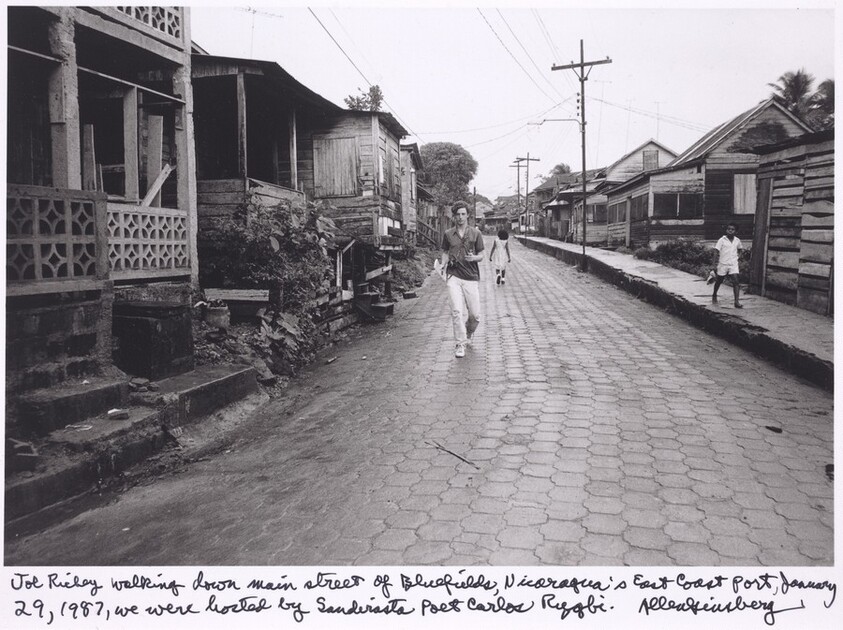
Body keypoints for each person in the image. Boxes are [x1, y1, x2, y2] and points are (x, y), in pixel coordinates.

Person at [439, 202, 485, 358]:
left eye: (463, 214)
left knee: (475, 315)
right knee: (457, 311)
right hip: (453, 276)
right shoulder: (448, 234)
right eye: (457, 214)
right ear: (454, 216)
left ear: (468, 215)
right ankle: (460, 343)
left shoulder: (475, 233)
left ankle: (469, 331)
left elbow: (482, 254)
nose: (460, 217)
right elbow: (445, 251)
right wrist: (443, 263)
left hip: (471, 276)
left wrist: (475, 258)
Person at [712, 222, 743, 308]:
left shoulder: (737, 240)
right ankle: (714, 293)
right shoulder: (722, 240)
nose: (730, 231)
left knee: (736, 281)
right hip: (723, 264)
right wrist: (714, 264)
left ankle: (736, 302)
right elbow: (716, 251)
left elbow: (740, 249)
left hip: (733, 264)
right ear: (726, 230)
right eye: (729, 229)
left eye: (732, 229)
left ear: (736, 231)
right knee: (719, 280)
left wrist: (738, 257)